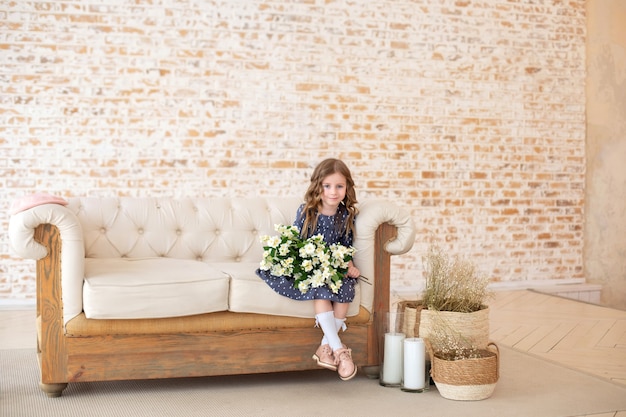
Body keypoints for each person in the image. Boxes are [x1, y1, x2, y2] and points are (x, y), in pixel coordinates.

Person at [256, 158, 361, 381]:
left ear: (347, 188)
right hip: (310, 265)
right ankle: (340, 351)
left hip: (333, 266)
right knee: (321, 289)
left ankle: (325, 348)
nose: (333, 192)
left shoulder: (346, 215)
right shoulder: (308, 211)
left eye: (339, 186)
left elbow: (345, 244)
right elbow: (297, 239)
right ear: (318, 186)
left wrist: (349, 265)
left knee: (346, 289)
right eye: (327, 186)